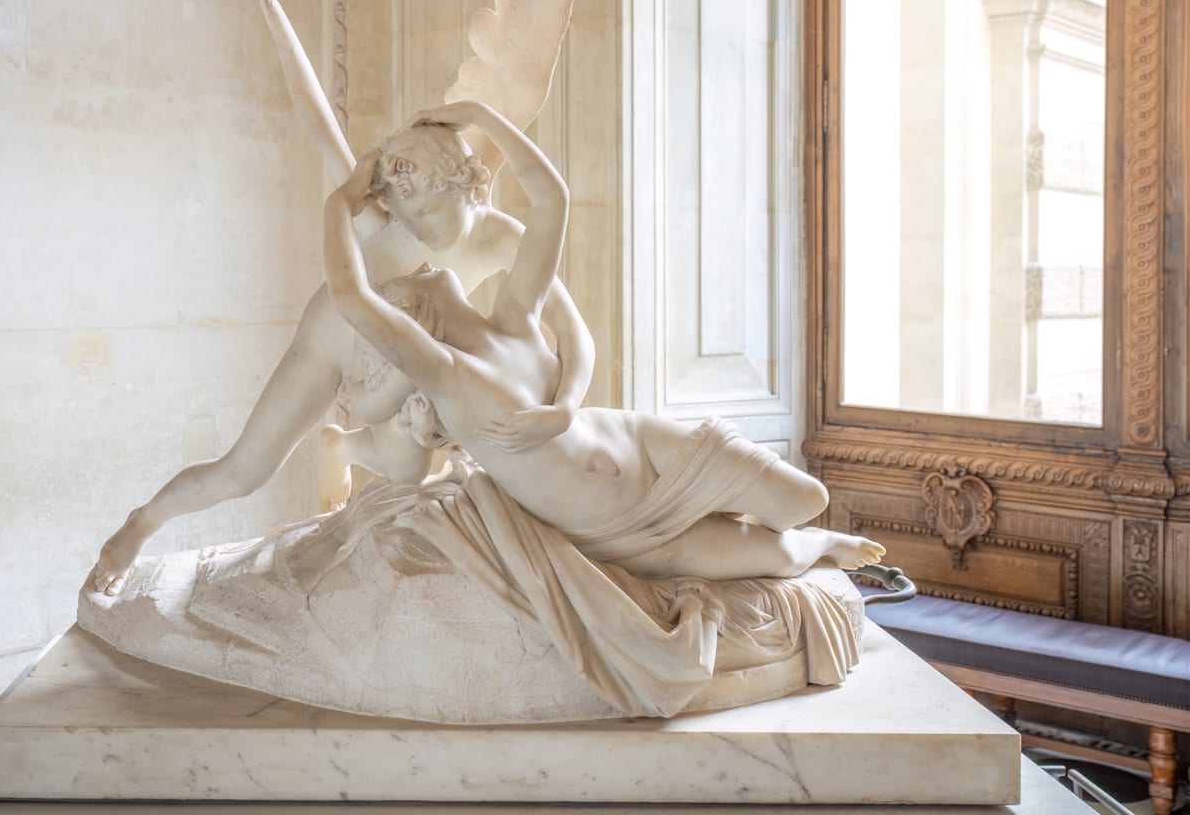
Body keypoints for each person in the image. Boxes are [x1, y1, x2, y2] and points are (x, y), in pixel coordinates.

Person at [324, 100, 885, 582]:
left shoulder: (514, 315)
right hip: (615, 528)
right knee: (786, 554)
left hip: (643, 446)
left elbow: (553, 201)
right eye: (409, 282)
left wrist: (479, 116)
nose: (423, 261)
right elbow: (351, 297)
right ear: (419, 320)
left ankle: (788, 527)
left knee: (807, 499)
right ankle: (824, 547)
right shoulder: (444, 371)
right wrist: (339, 205)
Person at [89, 121, 596, 597]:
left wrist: (567, 408)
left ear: (463, 185)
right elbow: (317, 119)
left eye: (427, 213)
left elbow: (574, 335)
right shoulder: (386, 213)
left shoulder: (503, 237)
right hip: (332, 337)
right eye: (405, 217)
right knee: (242, 472)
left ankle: (347, 447)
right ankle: (139, 526)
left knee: (414, 466)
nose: (418, 230)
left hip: (393, 357)